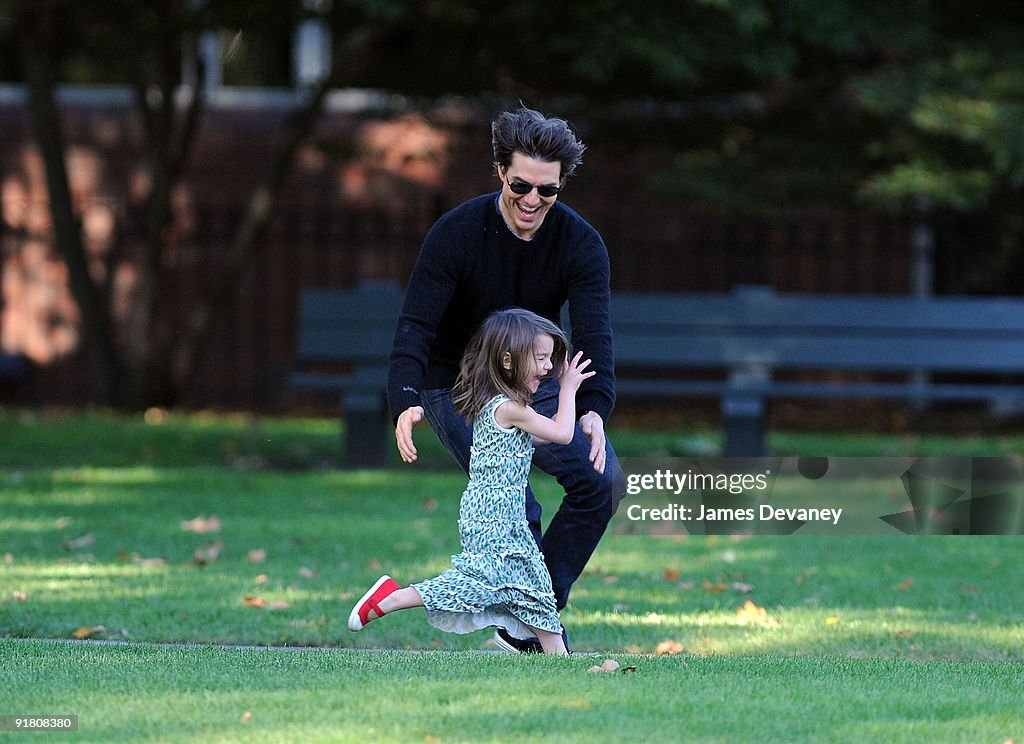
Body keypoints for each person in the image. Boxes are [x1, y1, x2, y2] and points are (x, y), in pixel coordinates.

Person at [386, 105, 624, 653]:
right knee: (517, 506)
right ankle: (539, 636)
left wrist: (593, 409)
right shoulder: (457, 233)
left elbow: (594, 335)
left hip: (533, 379)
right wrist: (403, 396)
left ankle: (521, 629)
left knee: (602, 481)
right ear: (501, 173)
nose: (532, 201)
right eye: (521, 185)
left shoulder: (580, 244)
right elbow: (416, 323)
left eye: (548, 191)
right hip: (459, 383)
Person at [350, 309, 595, 655]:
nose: (547, 368)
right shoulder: (510, 407)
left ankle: (559, 658)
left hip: (499, 516)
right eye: (540, 358)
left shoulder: (500, 406)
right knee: (479, 585)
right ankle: (392, 597)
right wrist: (568, 390)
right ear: (508, 361)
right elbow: (563, 434)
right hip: (495, 517)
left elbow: (543, 437)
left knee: (531, 585)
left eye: (549, 359)